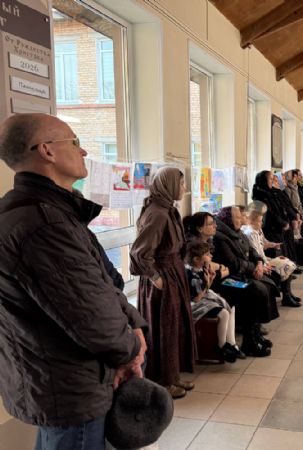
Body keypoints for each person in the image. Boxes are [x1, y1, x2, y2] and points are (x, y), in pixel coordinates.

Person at [0, 113, 145, 449]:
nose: (83, 151)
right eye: (75, 142)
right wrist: (132, 350)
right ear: (47, 150)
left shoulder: (50, 212)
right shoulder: (42, 225)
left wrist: (134, 324)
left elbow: (104, 282)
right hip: (70, 388)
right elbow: (92, 317)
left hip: (60, 383)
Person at [130, 167, 196, 399]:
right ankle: (164, 381)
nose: (184, 188)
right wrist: (156, 278)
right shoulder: (157, 213)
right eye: (181, 183)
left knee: (174, 325)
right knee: (165, 327)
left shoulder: (168, 209)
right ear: (170, 185)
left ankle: (172, 375)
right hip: (163, 275)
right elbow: (139, 253)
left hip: (173, 272)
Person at [213, 206, 277, 356]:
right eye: (237, 217)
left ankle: (255, 332)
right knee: (253, 291)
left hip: (241, 274)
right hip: (227, 280)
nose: (241, 219)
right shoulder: (221, 238)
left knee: (267, 286)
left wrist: (259, 263)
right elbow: (234, 263)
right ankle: (249, 342)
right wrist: (254, 268)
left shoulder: (237, 232)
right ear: (228, 219)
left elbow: (252, 251)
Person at [185, 240, 241, 363]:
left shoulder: (201, 268)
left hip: (204, 297)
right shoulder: (190, 274)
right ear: (196, 259)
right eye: (207, 254)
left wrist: (210, 279)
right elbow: (197, 298)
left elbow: (205, 289)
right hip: (195, 304)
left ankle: (231, 343)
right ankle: (222, 345)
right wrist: (207, 283)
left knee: (230, 306)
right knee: (223, 313)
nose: (211, 256)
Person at [242, 201, 301, 307]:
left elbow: (264, 243)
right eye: (259, 221)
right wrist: (266, 263)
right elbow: (256, 253)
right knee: (286, 264)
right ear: (251, 221)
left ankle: (288, 294)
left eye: (261, 220)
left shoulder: (257, 229)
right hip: (259, 262)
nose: (261, 223)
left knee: (286, 261)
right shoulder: (250, 233)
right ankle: (286, 297)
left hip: (263, 259)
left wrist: (273, 245)